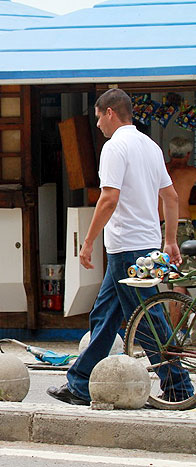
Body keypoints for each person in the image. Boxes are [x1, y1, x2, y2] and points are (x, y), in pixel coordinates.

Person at [47, 88, 194, 405]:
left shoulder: (115, 148)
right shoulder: (150, 146)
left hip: (126, 247)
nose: (97, 124)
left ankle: (180, 385)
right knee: (105, 315)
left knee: (146, 320)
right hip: (147, 245)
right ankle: (81, 382)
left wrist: (87, 243)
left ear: (110, 112)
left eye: (98, 117)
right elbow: (170, 198)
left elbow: (108, 199)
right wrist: (169, 240)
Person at [159, 137, 196, 305]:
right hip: (180, 227)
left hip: (159, 228)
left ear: (169, 153)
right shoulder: (192, 172)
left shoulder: (160, 170)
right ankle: (176, 331)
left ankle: (181, 324)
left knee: (171, 279)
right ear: (188, 154)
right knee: (180, 282)